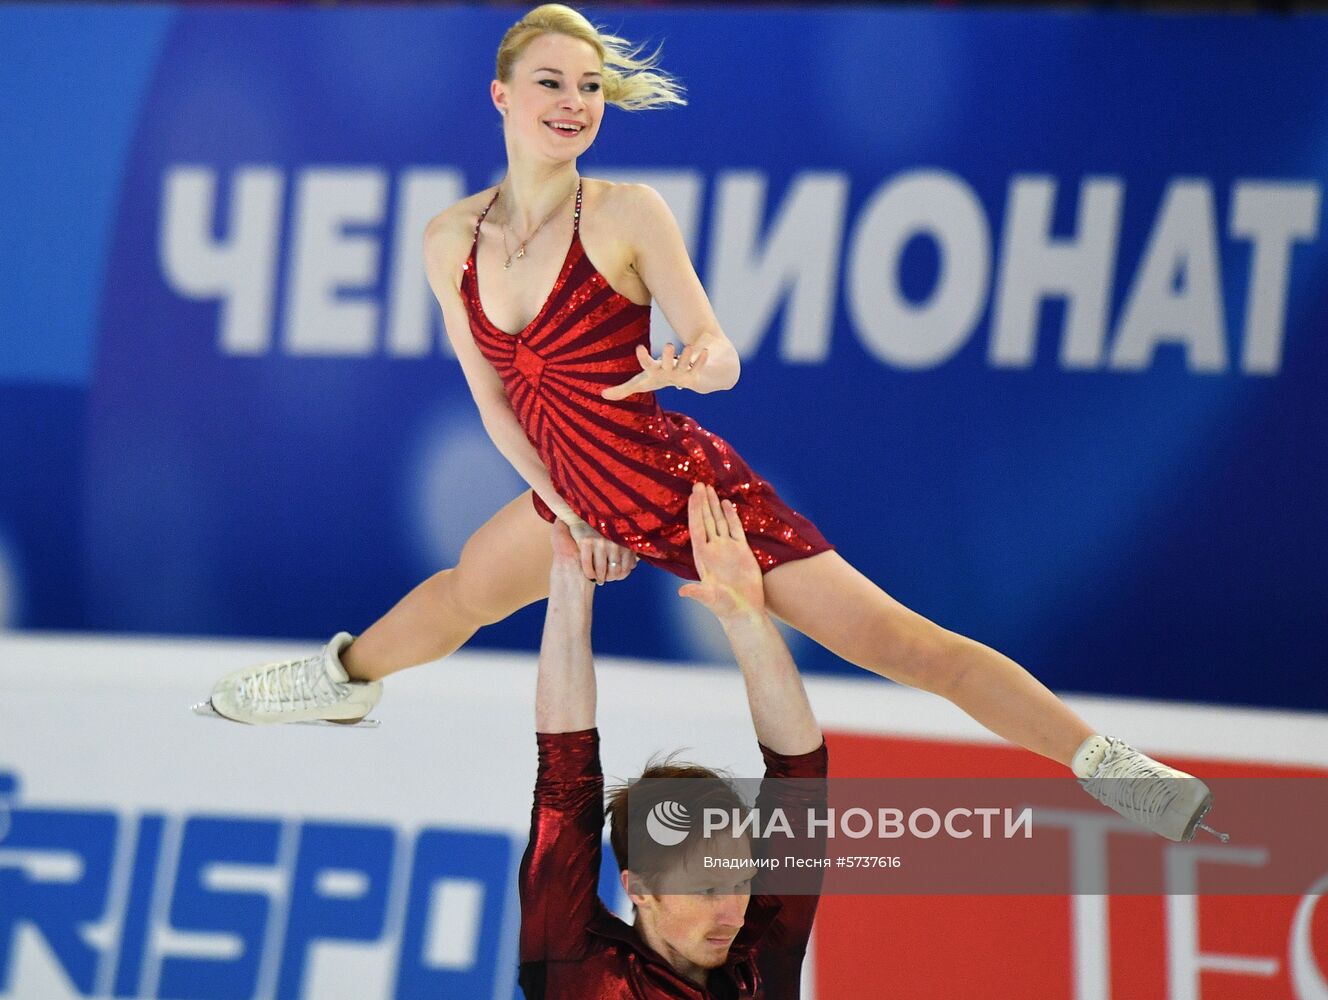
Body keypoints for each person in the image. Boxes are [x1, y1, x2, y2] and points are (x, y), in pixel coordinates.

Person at [194, 4, 1218, 844]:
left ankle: (1107, 765)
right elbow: (493, 400)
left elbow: (717, 346)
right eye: (551, 82)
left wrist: (696, 364)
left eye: (590, 86)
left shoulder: (629, 213)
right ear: (501, 95)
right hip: (572, 494)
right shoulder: (447, 237)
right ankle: (341, 680)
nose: (573, 102)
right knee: (466, 587)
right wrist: (565, 510)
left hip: (681, 491)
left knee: (908, 646)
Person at [520, 483, 826, 997]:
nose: (731, 913)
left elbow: (802, 773)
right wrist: (572, 575)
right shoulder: (574, 961)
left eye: (739, 882)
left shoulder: (761, 958)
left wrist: (746, 616)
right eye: (706, 888)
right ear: (639, 888)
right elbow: (563, 768)